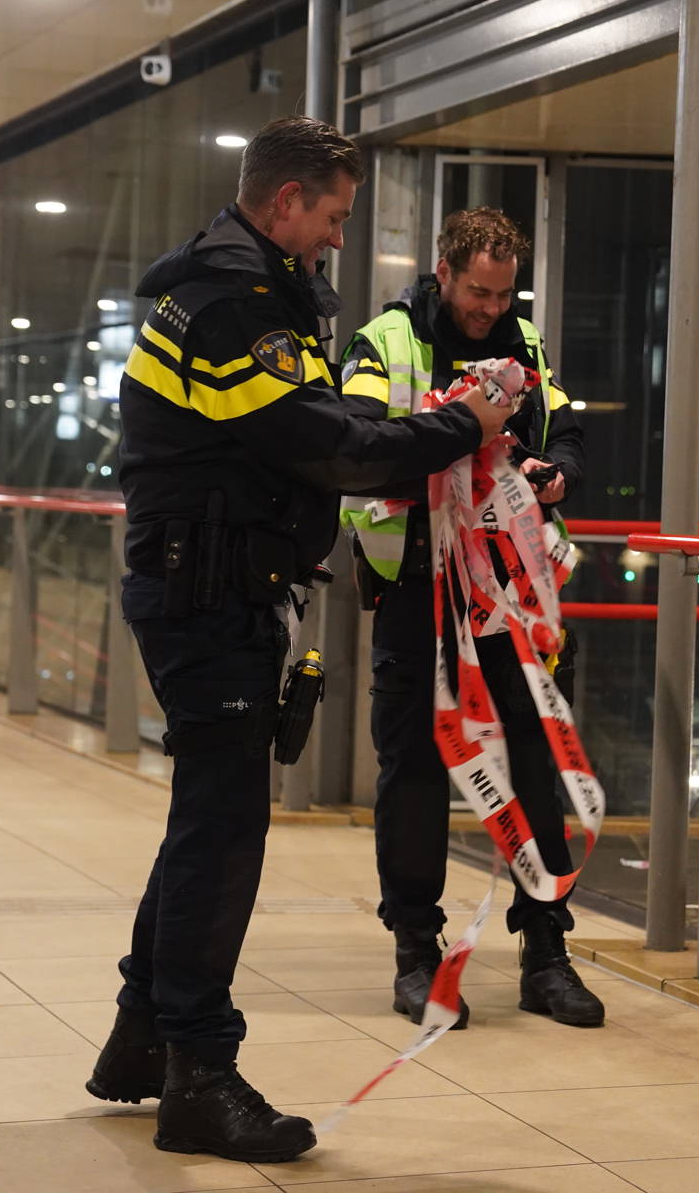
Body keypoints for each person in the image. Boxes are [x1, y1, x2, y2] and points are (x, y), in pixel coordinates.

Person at [85, 118, 512, 1164]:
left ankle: (145, 1039)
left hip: (213, 585)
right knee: (222, 834)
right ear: (285, 203)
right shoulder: (237, 303)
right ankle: (200, 1073)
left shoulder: (239, 283)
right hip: (208, 596)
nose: (335, 237)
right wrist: (466, 425)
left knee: (207, 819)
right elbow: (331, 447)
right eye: (331, 216)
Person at [339, 207, 603, 1031]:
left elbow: (566, 428)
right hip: (418, 587)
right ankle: (417, 952)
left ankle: (546, 952)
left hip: (510, 592)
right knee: (413, 773)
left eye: (504, 295)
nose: (491, 309)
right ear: (445, 271)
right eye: (479, 293)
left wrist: (555, 470)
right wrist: (459, 434)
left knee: (533, 762)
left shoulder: (524, 342)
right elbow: (356, 445)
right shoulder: (387, 341)